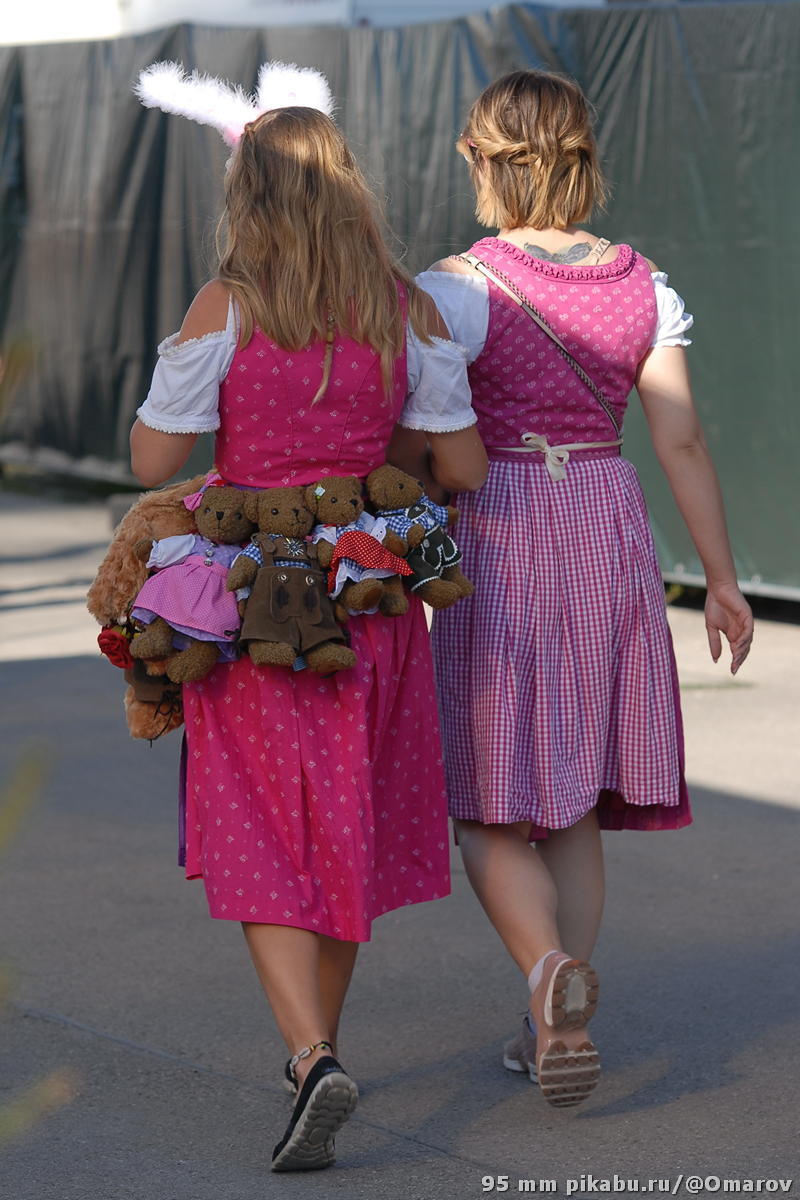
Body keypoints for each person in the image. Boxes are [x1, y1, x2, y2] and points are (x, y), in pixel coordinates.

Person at [129, 71, 487, 1171]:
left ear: (247, 196)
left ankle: (307, 1058)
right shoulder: (405, 305)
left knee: (253, 822)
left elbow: (155, 460)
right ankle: (319, 1045)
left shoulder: (224, 305)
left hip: (246, 597)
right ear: (347, 192)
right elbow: (458, 462)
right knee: (342, 823)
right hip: (367, 588)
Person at [415, 69, 753, 1109]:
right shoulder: (643, 283)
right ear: (581, 156)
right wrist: (722, 584)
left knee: (482, 798)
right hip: (606, 523)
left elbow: (428, 443)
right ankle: (547, 1022)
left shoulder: (456, 285)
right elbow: (680, 437)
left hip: (502, 529)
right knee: (571, 805)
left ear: (481, 159)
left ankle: (542, 975)